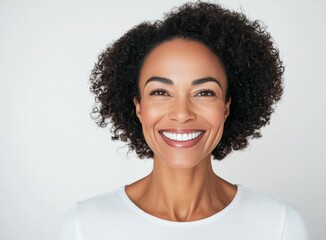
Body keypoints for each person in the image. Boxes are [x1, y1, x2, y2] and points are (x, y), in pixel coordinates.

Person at [58, 2, 309, 240]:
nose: (182, 113)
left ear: (226, 107)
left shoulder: (279, 226)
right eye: (160, 92)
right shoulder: (85, 226)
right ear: (138, 107)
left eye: (204, 93)